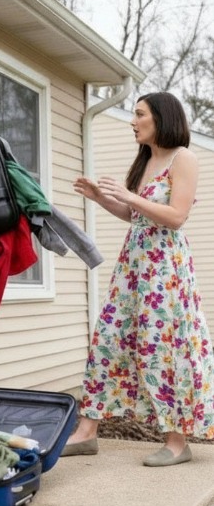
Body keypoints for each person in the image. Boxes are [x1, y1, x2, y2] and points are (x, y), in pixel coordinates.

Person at [62, 92, 214, 465]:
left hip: (165, 269)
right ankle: (86, 431)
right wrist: (102, 198)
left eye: (139, 114)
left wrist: (130, 195)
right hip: (134, 266)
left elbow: (176, 216)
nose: (133, 121)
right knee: (108, 338)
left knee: (162, 347)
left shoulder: (184, 158)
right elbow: (138, 217)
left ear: (160, 118)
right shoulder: (146, 160)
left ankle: (176, 442)